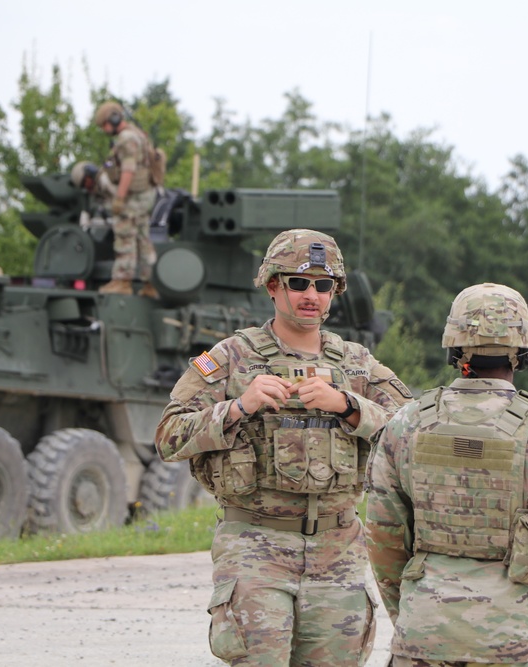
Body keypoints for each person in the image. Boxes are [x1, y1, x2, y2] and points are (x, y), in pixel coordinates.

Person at [155, 228, 413, 666]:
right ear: (273, 286)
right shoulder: (230, 358)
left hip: (338, 546)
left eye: (323, 285)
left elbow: (413, 435)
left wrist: (349, 406)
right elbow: (168, 436)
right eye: (298, 283)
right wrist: (237, 407)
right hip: (255, 545)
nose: (311, 295)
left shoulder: (357, 364)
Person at [365, 283, 528, 667]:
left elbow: (383, 538)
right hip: (520, 641)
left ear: (455, 348)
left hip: (425, 635)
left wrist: (410, 616)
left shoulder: (405, 425)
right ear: (522, 351)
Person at [93, 100, 161, 298]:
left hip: (133, 197)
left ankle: (122, 281)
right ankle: (150, 284)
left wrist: (119, 198)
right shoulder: (138, 134)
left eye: (105, 124)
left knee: (125, 235)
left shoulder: (125, 139)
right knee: (143, 239)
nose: (105, 129)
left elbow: (128, 170)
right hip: (144, 196)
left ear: (114, 119)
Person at [70, 160, 117, 231]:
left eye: (84, 182)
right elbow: (85, 213)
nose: (86, 186)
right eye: (83, 186)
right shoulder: (93, 190)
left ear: (89, 173)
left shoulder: (106, 178)